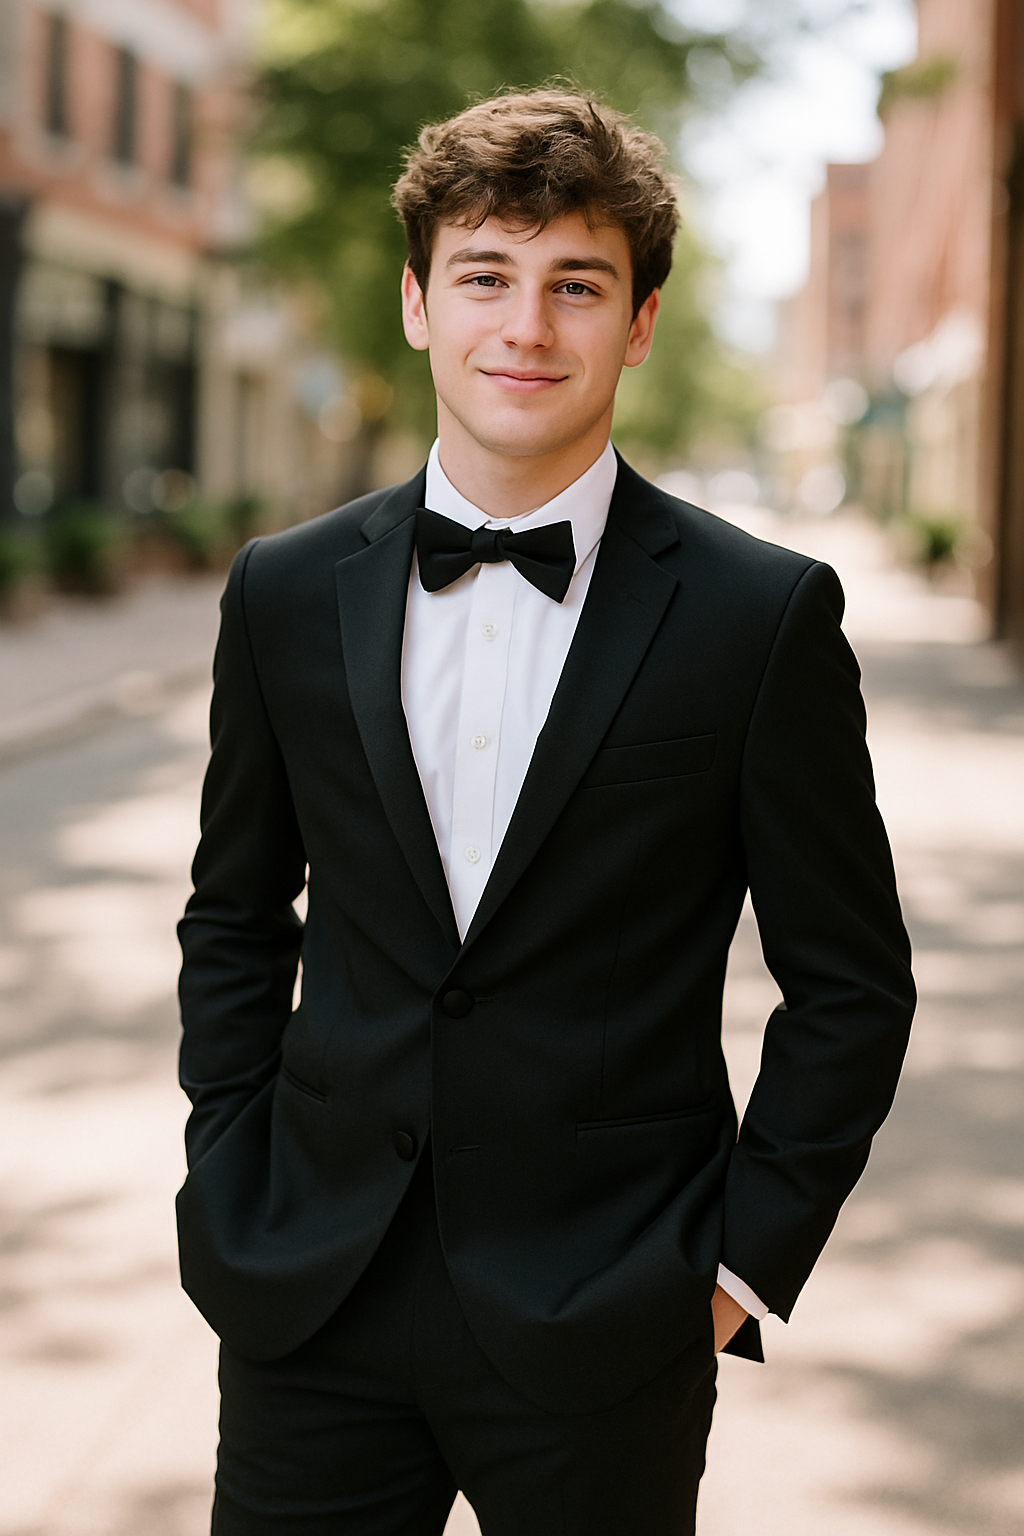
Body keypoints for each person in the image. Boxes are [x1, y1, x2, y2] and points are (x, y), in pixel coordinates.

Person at [177, 89, 915, 1536]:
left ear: (637, 324)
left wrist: (740, 1266)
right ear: (416, 303)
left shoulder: (762, 620)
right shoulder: (280, 591)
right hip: (310, 1295)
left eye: (576, 284)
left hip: (615, 1315)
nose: (526, 326)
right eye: (485, 276)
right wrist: (229, 1166)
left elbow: (850, 984)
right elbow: (235, 911)